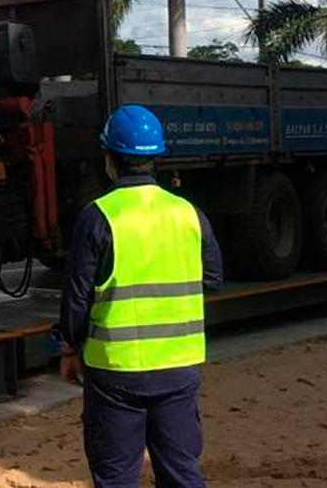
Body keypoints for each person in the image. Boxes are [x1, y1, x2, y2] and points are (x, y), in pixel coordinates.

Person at [54, 105, 223, 488]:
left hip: (116, 373)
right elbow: (212, 280)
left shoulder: (98, 217)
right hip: (180, 367)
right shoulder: (189, 213)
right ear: (156, 159)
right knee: (182, 473)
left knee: (116, 477)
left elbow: (76, 298)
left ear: (109, 158)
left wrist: (68, 350)